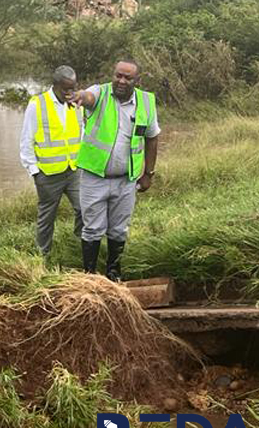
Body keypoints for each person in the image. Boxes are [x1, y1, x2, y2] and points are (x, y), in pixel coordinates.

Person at [69, 59, 159, 281]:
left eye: (127, 78)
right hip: (94, 176)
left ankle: (113, 273)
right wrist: (80, 96)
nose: (121, 80)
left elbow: (152, 137)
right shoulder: (99, 94)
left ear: (137, 80)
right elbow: (87, 96)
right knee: (92, 229)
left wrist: (148, 174)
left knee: (119, 230)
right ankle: (90, 276)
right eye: (118, 75)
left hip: (126, 180)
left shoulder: (146, 102)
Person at [19, 65, 84, 256]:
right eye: (66, 89)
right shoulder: (37, 104)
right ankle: (42, 254)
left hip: (73, 170)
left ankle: (78, 245)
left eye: (73, 88)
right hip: (48, 174)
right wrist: (34, 171)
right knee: (47, 216)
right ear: (55, 85)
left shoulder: (76, 103)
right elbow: (26, 140)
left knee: (84, 208)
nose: (70, 93)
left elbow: (82, 134)